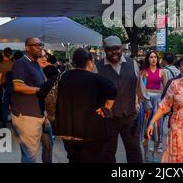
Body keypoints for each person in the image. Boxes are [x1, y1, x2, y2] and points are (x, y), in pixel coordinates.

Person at [95, 35, 152, 163]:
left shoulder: (132, 63)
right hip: (108, 119)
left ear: (122, 48)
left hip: (130, 117)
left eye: (116, 49)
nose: (114, 52)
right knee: (107, 153)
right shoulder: (97, 67)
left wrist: (147, 103)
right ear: (104, 50)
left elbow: (139, 86)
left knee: (134, 152)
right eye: (110, 49)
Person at [55, 48, 117, 163]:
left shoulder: (62, 77)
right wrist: (106, 108)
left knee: (73, 159)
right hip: (91, 132)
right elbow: (113, 90)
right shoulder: (97, 79)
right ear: (89, 62)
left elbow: (44, 90)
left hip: (67, 130)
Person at [10, 37, 46, 163]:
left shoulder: (35, 63)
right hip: (26, 114)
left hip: (38, 112)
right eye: (36, 45)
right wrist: (38, 90)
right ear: (27, 47)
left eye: (40, 44)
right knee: (30, 155)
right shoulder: (21, 63)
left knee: (42, 148)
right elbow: (18, 86)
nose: (40, 47)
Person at [140, 50, 168, 160]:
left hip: (158, 102)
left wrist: (165, 104)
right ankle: (146, 154)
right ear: (148, 59)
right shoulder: (143, 72)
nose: (153, 59)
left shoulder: (162, 72)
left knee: (157, 129)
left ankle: (155, 155)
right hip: (146, 102)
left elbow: (166, 89)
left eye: (155, 57)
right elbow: (140, 89)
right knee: (145, 128)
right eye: (151, 57)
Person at [36, 52, 54, 164]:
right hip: (39, 115)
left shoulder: (45, 72)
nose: (44, 59)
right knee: (47, 145)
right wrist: (45, 117)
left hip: (44, 115)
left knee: (48, 146)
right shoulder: (37, 75)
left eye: (45, 57)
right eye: (41, 57)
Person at [0, 47, 14, 129]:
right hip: (14, 88)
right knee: (14, 108)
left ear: (3, 54)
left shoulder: (1, 65)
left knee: (4, 108)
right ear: (11, 55)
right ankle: (16, 128)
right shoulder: (14, 64)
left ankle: (4, 128)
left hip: (4, 88)